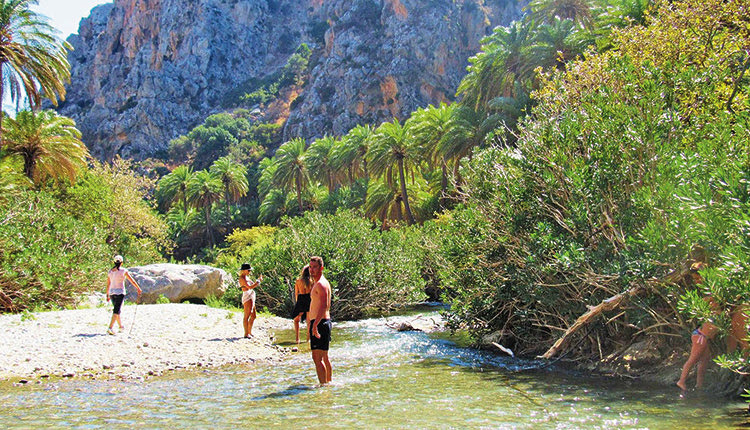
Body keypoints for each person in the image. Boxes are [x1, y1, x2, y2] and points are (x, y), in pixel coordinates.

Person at [677, 262, 719, 391]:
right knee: (693, 360)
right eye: (695, 279)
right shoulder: (709, 297)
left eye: (697, 278)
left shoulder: (712, 292)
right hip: (701, 336)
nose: (696, 282)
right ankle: (681, 381)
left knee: (704, 361)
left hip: (702, 336)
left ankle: (699, 385)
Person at [308, 256, 332, 385]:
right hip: (322, 322)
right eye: (310, 267)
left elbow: (323, 305)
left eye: (315, 267)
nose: (312, 270)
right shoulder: (321, 282)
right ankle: (328, 383)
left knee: (317, 359)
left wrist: (315, 325)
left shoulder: (321, 284)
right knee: (324, 358)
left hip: (320, 322)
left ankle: (323, 386)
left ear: (321, 268)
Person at [105, 254, 142, 335]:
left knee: (117, 309)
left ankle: (121, 326)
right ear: (121, 262)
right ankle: (110, 328)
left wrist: (107, 295)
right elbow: (131, 280)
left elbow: (108, 284)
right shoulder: (124, 271)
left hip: (112, 292)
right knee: (116, 310)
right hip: (120, 292)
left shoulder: (110, 272)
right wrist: (138, 288)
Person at [239, 263, 262, 338]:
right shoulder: (242, 278)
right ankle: (246, 333)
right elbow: (250, 287)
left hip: (251, 295)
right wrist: (258, 281)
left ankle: (249, 331)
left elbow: (253, 284)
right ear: (244, 270)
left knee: (253, 315)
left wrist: (258, 281)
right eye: (248, 270)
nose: (249, 272)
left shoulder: (247, 277)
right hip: (247, 296)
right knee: (247, 315)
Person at [291, 265, 312, 344]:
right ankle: (308, 339)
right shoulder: (311, 281)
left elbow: (296, 293)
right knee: (308, 321)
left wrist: (297, 303)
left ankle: (297, 339)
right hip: (309, 299)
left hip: (301, 299)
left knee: (296, 320)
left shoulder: (298, 281)